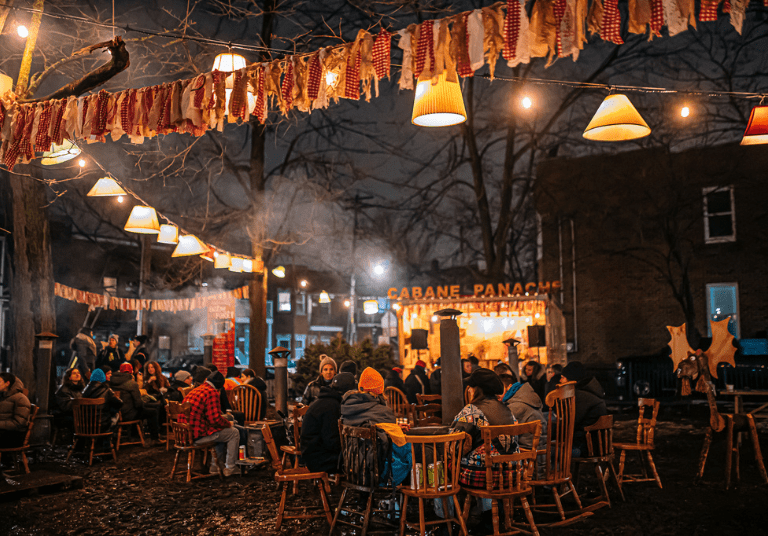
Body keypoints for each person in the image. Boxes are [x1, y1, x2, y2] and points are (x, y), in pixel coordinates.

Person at [450, 368, 516, 504]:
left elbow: (455, 447)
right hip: (511, 474)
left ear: (477, 389)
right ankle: (488, 510)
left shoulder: (471, 411)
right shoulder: (508, 409)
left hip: (484, 477)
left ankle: (449, 517)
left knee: (445, 462)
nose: (468, 390)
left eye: (471, 387)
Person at [178, 371, 239, 477]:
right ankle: (230, 468)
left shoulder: (196, 389)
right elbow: (214, 420)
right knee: (234, 432)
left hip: (184, 434)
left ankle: (215, 467)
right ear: (219, 387)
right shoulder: (212, 392)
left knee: (221, 433)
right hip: (196, 436)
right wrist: (229, 423)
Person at [300, 372, 356, 474]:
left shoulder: (325, 400)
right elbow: (331, 440)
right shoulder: (332, 406)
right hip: (319, 460)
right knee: (357, 459)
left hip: (313, 455)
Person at [560, 361, 607, 456]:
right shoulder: (589, 393)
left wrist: (545, 433)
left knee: (548, 451)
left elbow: (569, 423)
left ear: (571, 380)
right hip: (595, 445)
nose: (560, 381)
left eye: (562, 378)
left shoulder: (581, 397)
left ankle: (553, 471)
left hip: (586, 447)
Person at [110, 363, 161, 445]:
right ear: (131, 372)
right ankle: (155, 439)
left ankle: (134, 435)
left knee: (141, 409)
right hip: (128, 414)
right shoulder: (131, 383)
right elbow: (138, 404)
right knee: (152, 412)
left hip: (116, 414)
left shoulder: (112, 383)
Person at [501, 376, 546, 451]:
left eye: (500, 389)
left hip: (528, 451)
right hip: (540, 447)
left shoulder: (516, 405)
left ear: (509, 387)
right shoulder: (526, 396)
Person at [82, 368, 123, 432]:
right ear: (103, 377)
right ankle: (109, 438)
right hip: (103, 425)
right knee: (115, 414)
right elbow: (120, 403)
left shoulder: (84, 392)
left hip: (86, 426)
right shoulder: (106, 390)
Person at [0, 373, 32, 449]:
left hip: (14, 436)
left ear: (7, 383)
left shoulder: (20, 398)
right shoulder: (3, 396)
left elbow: (19, 423)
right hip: (4, 431)